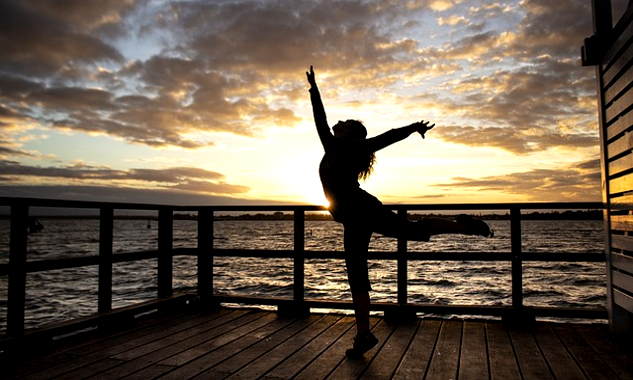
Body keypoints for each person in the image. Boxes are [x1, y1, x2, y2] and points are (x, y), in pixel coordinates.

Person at [306, 66, 491, 358]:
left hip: (363, 211)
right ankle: (363, 335)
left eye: (343, 122)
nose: (337, 122)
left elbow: (388, 137)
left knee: (412, 231)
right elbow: (321, 117)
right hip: (352, 219)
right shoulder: (330, 144)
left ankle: (462, 225)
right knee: (356, 275)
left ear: (351, 133)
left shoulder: (355, 147)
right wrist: (314, 89)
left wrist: (414, 127)